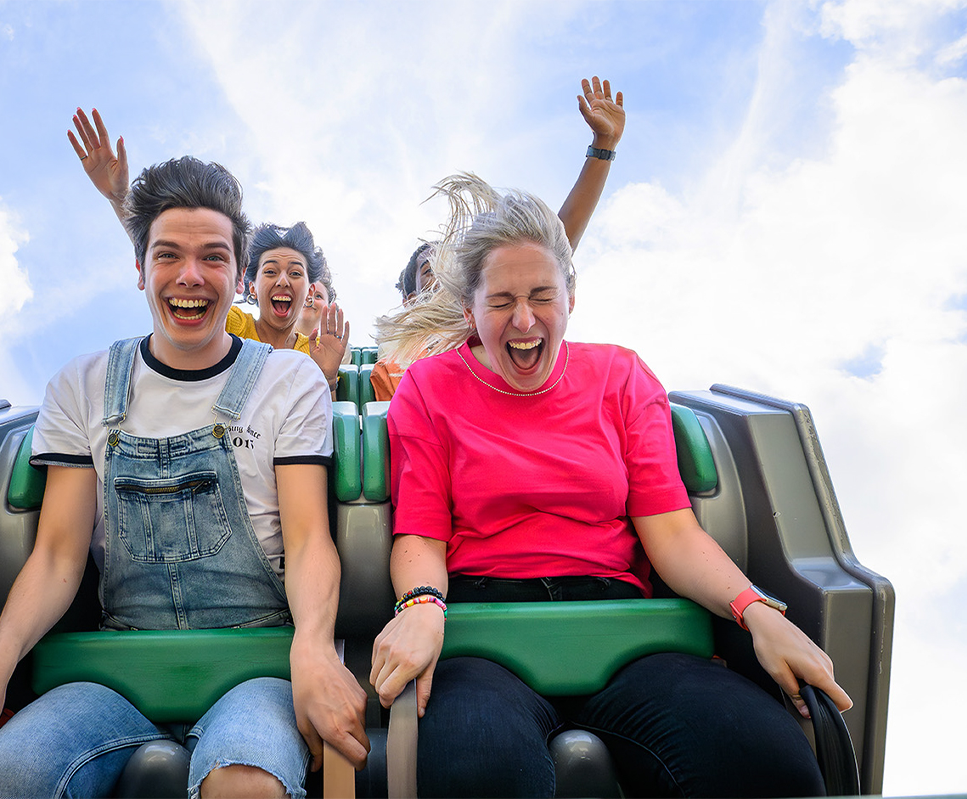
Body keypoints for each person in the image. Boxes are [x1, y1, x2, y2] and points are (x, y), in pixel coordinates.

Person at [368, 173, 852, 799]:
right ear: (469, 311)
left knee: (763, 764)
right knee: (477, 772)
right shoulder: (429, 387)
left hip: (624, 631)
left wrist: (757, 611)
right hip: (486, 633)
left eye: (542, 295)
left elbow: (673, 532)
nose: (523, 320)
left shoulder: (620, 376)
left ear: (571, 296)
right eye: (501, 301)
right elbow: (421, 533)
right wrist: (421, 608)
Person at [0, 156, 368, 799]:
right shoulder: (83, 386)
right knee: (2, 778)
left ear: (237, 276)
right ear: (140, 268)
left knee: (247, 783)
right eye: (168, 256)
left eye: (213, 257)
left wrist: (315, 648)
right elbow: (57, 554)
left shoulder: (288, 381)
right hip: (118, 665)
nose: (190, 277)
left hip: (255, 659)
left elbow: (307, 539)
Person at [370, 76, 626, 402]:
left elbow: (557, 243)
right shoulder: (398, 362)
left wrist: (602, 149)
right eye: (429, 271)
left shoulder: (489, 322)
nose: (442, 275)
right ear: (410, 297)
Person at [69, 110, 350, 389]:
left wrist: (326, 376)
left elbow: (326, 427)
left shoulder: (312, 351)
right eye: (271, 271)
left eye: (295, 273)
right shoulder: (234, 324)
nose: (283, 281)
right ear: (249, 285)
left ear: (310, 290)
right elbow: (166, 252)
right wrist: (120, 199)